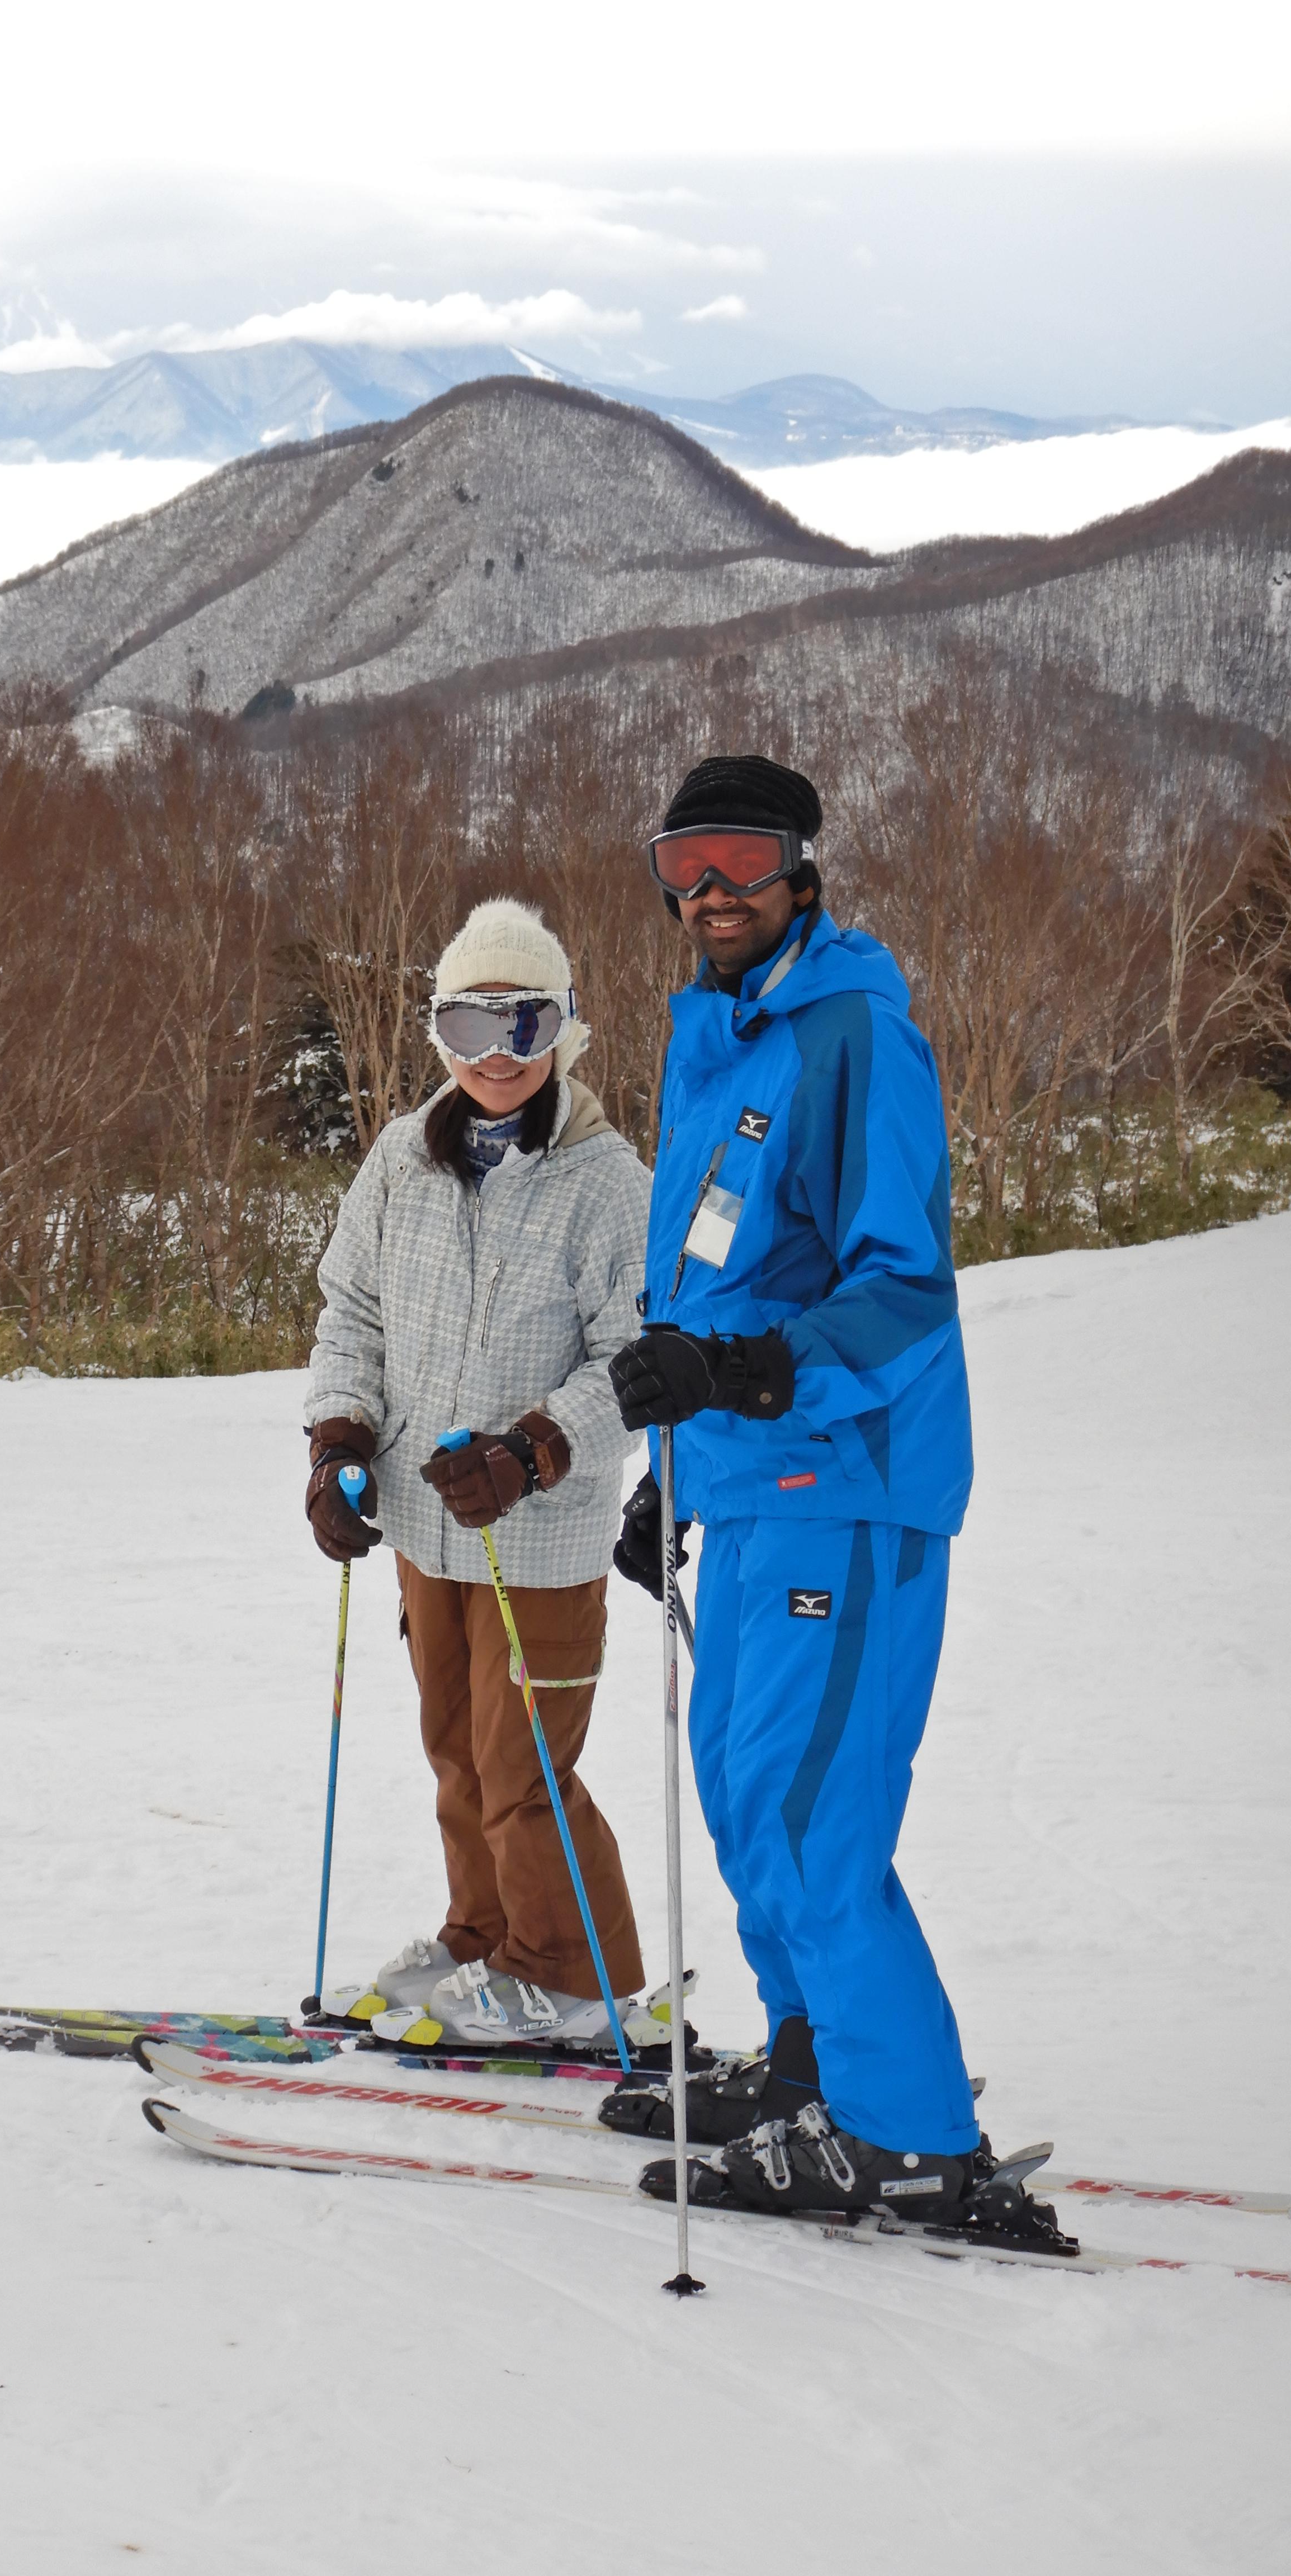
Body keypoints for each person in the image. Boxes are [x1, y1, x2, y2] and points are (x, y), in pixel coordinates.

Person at [607, 754, 1001, 2231]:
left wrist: (749, 1383)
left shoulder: (850, 1034)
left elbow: (901, 1295)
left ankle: (906, 2136)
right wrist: (681, 1473)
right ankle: (806, 2069)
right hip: (758, 1481)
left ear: (801, 868)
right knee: (742, 1796)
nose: (707, 891)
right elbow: (720, 1281)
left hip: (849, 1478)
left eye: (736, 858)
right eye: (680, 861)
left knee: (809, 1812)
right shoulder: (721, 1036)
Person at [304, 898, 653, 2049]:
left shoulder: (608, 1182)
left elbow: (638, 1362)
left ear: (566, 1035)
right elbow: (351, 1308)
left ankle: (569, 1977)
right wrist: (340, 1440)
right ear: (437, 1035)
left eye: (525, 1025)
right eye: (468, 1026)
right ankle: (485, 1933)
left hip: (539, 1537)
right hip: (421, 1522)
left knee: (525, 1767)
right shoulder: (403, 1157)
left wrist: (534, 1450)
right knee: (456, 1750)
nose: (496, 1058)